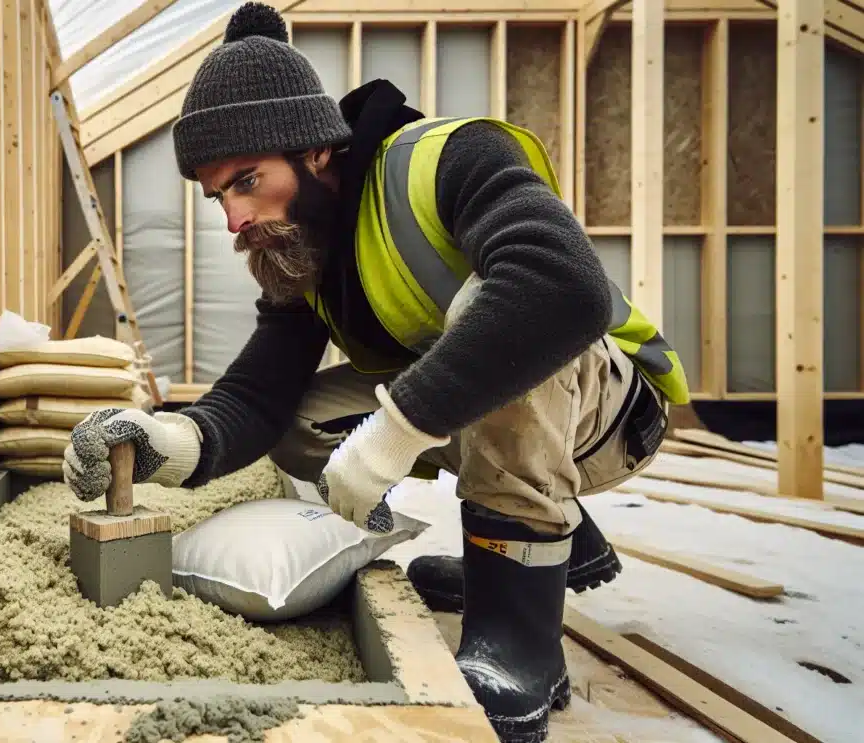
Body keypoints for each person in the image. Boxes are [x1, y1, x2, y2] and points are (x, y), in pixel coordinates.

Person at [61, 3, 689, 741]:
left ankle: (519, 643)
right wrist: (167, 441)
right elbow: (262, 394)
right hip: (504, 415)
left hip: (611, 409)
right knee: (299, 423)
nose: (233, 218)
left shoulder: (449, 158)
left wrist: (393, 435)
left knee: (498, 307)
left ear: (314, 150)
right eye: (218, 195)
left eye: (247, 180)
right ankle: (532, 546)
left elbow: (564, 288)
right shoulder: (304, 242)